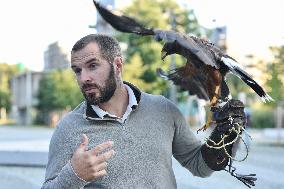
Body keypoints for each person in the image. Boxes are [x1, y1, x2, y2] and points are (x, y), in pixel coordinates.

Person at [41, 34, 246, 189]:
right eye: (77, 70)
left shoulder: (163, 109)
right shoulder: (69, 128)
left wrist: (227, 135)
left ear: (118, 65)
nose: (84, 77)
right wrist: (74, 174)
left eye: (92, 66)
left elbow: (199, 165)